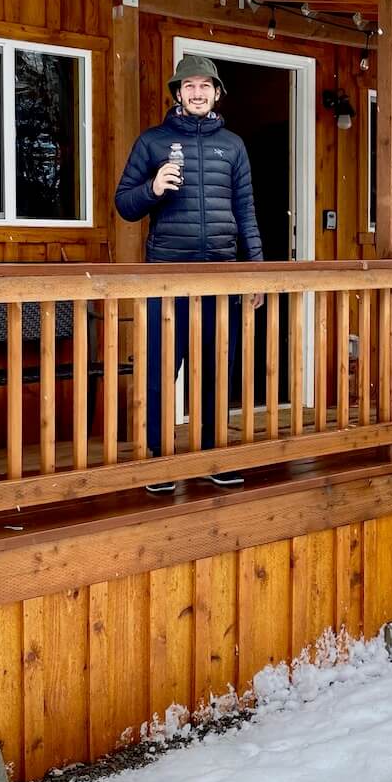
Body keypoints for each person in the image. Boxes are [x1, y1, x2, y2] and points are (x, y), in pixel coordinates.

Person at [115, 54, 263, 492]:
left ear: (217, 94)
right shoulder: (152, 142)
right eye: (188, 86)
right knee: (162, 370)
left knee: (216, 368)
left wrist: (254, 271)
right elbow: (124, 204)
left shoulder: (233, 146)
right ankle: (159, 461)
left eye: (205, 86)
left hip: (222, 277)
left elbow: (246, 211)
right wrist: (152, 188)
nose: (197, 93)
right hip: (168, 277)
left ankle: (213, 456)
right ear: (177, 94)